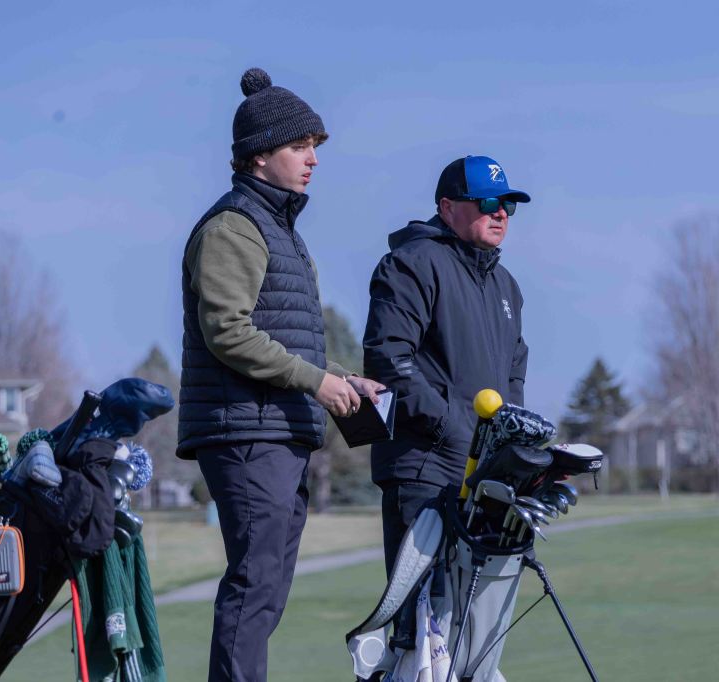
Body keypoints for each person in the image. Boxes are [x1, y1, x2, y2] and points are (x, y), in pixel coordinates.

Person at [177, 67, 384, 682]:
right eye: (300, 147)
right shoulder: (233, 227)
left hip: (276, 429)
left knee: (265, 588)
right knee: (255, 582)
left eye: (315, 146)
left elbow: (284, 335)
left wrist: (344, 377)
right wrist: (318, 384)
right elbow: (229, 333)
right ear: (260, 155)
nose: (313, 159)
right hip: (244, 432)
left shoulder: (280, 230)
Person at [363, 155, 530, 576]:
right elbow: (388, 360)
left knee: (473, 624)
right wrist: (455, 429)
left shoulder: (506, 284)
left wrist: (508, 446)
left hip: (484, 480)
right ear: (447, 207)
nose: (499, 214)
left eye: (507, 205)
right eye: (487, 202)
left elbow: (515, 371)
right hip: (425, 471)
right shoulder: (411, 264)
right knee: (421, 626)